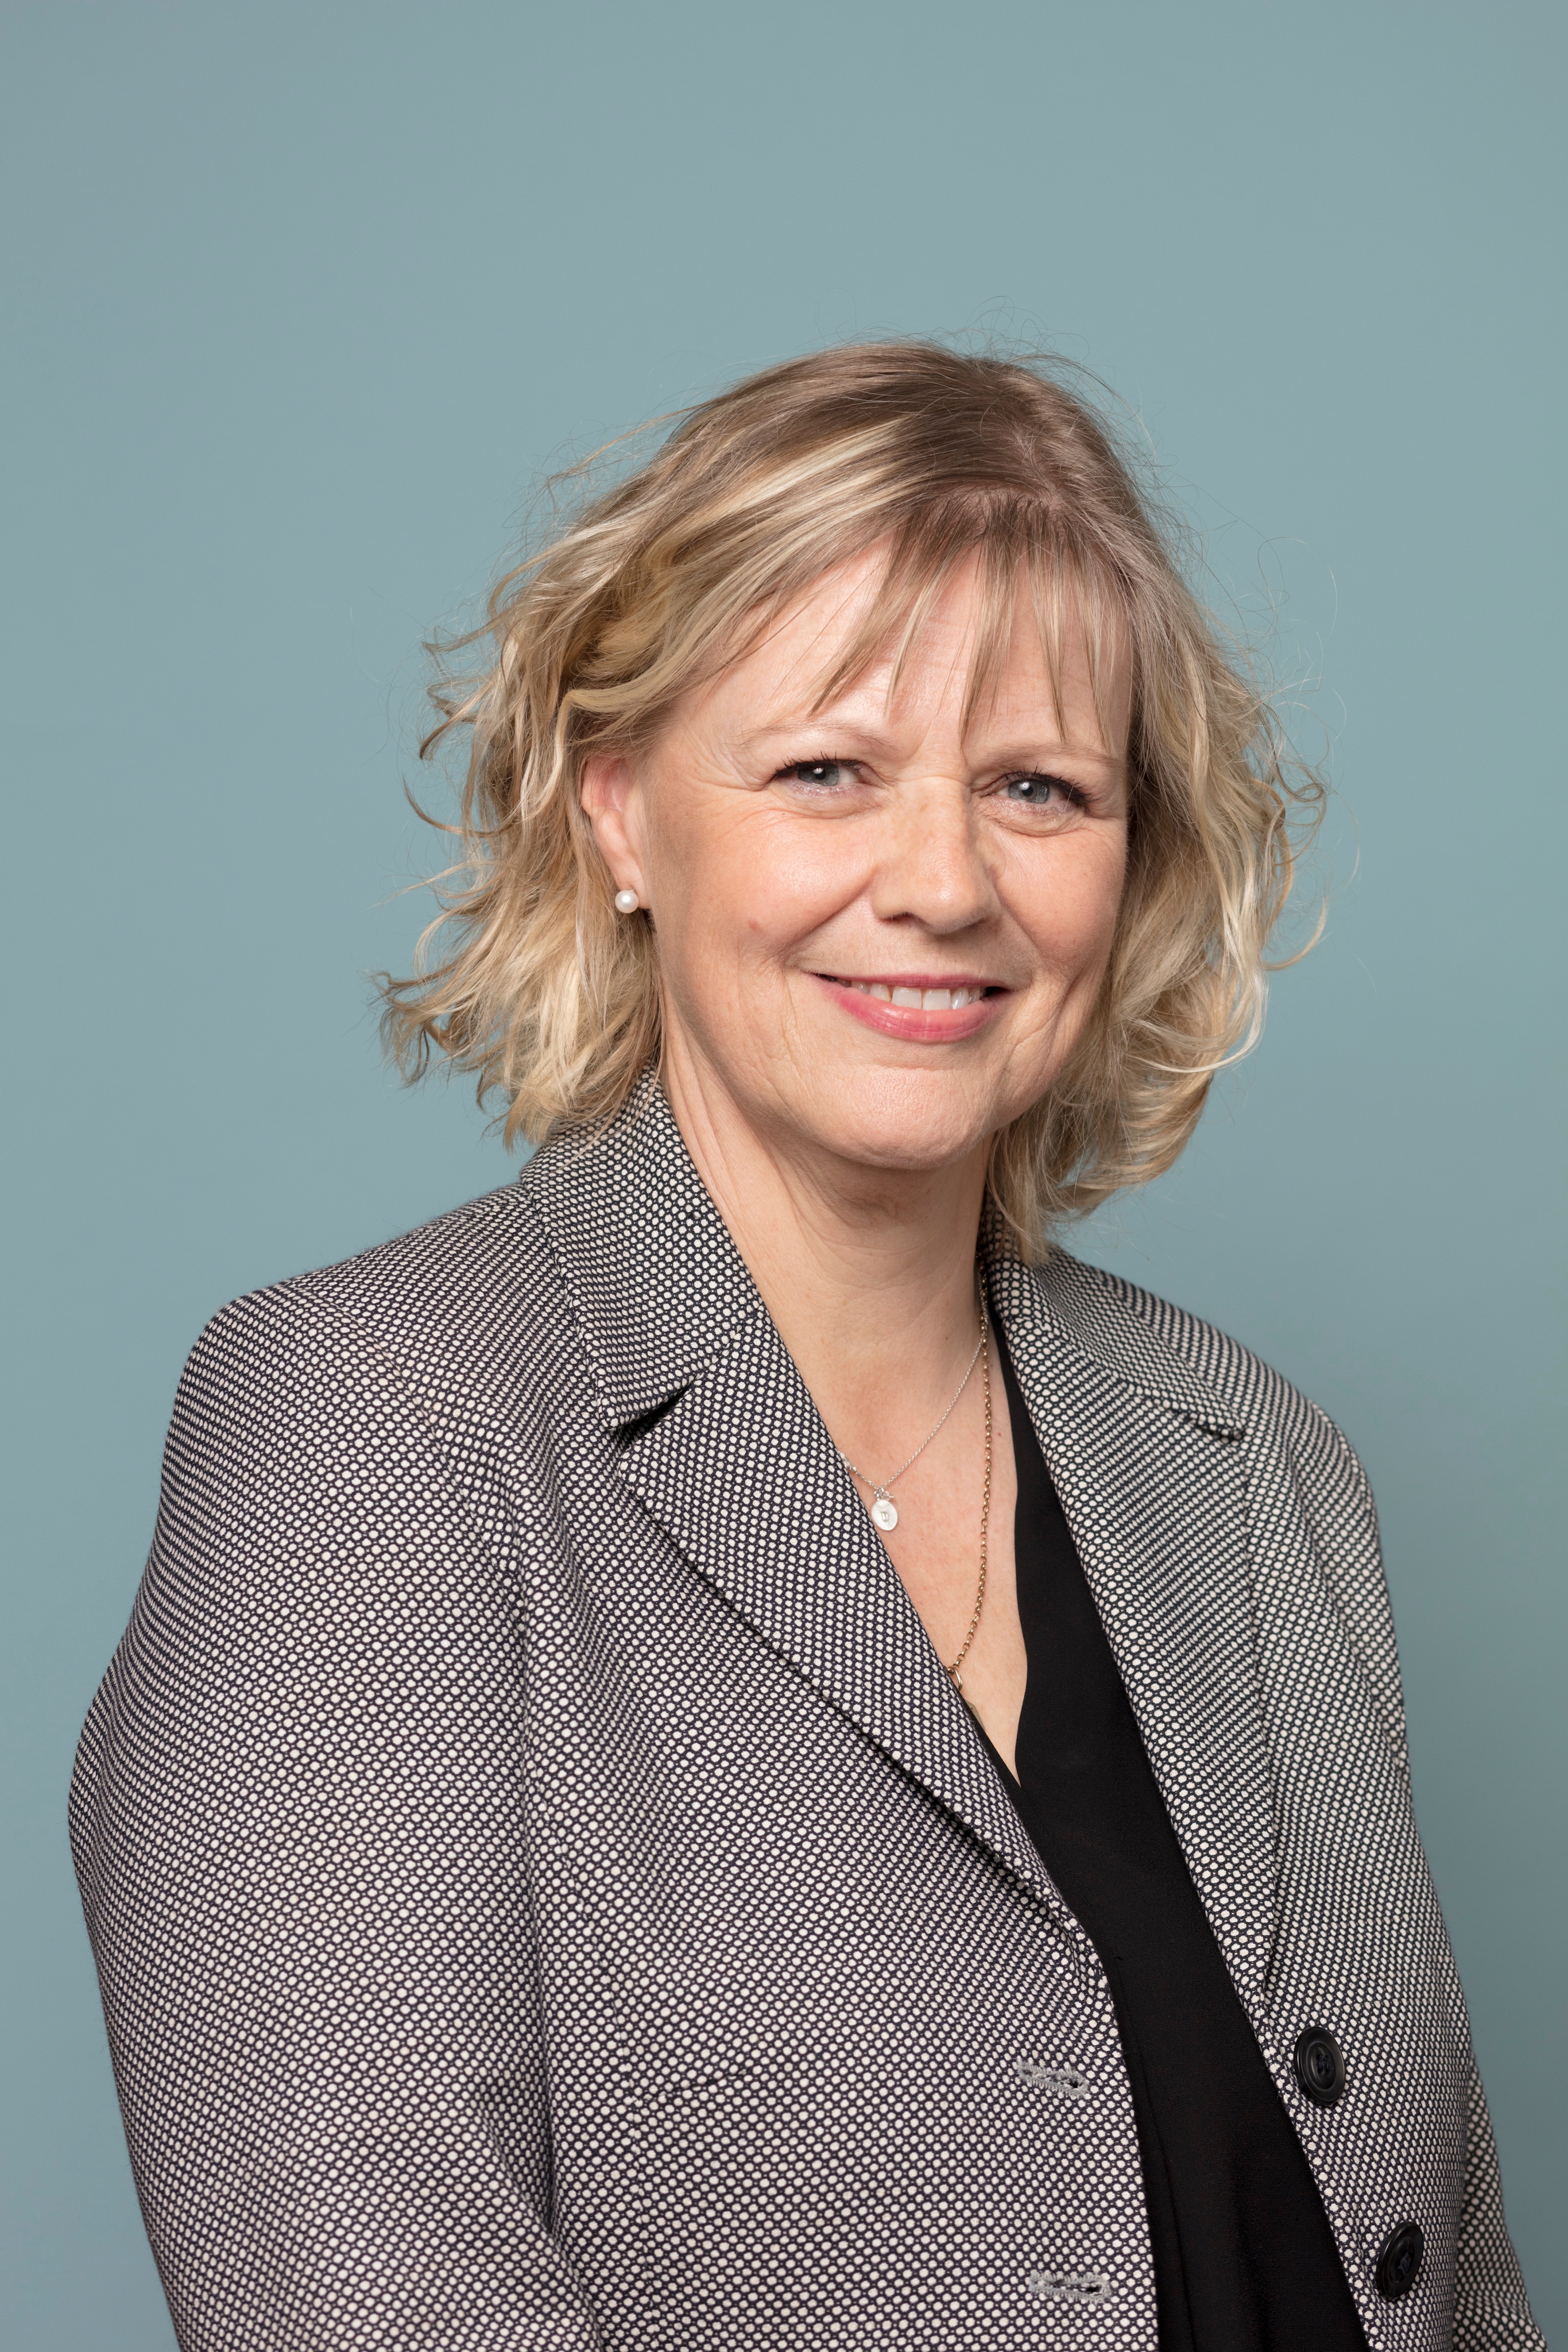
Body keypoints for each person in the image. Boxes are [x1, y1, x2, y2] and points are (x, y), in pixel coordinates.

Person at [71, 343, 1542, 2352]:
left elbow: (1443, 2276)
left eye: (1038, 788)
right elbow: (362, 2287)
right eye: (826, 770)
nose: (942, 883)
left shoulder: (1255, 1463)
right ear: (619, 815)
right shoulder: (367, 1430)